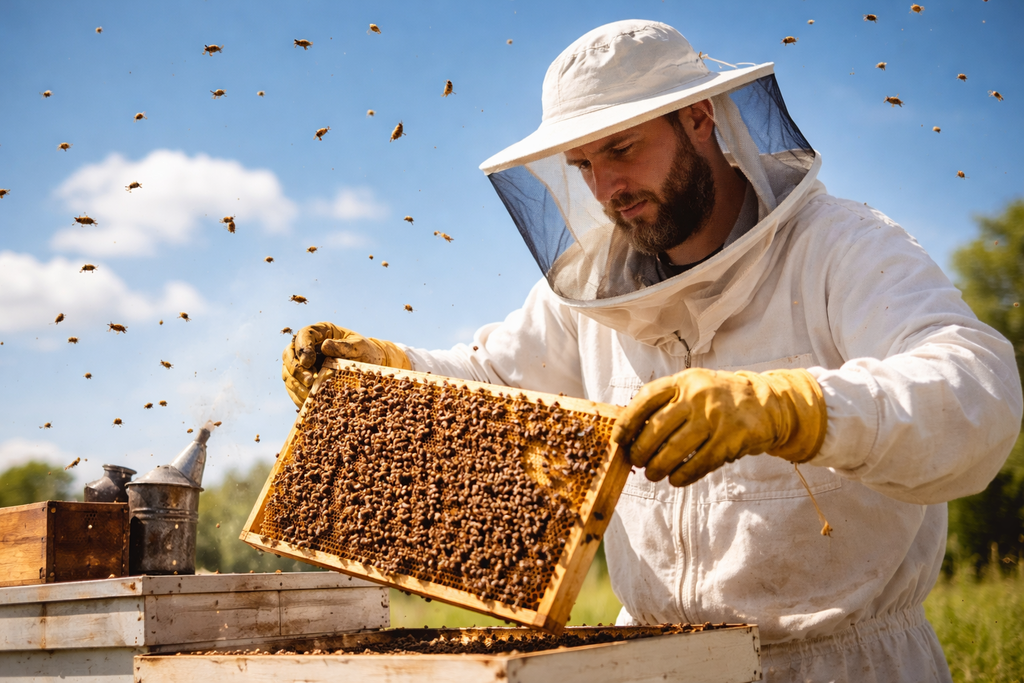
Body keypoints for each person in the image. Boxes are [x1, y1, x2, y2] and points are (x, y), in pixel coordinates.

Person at [282, 20, 1022, 682]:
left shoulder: (842, 247)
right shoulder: (597, 294)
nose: (606, 188)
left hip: (841, 664)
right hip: (655, 666)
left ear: (701, 118)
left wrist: (798, 408)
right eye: (583, 166)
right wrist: (383, 370)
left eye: (622, 149)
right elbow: (495, 385)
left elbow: (974, 391)